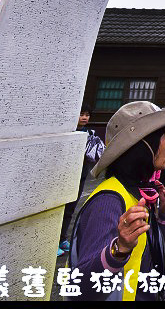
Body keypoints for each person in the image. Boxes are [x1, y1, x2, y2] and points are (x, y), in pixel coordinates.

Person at [68, 100, 165, 301]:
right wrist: (117, 251)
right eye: (163, 135)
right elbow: (81, 289)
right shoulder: (108, 201)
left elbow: (147, 253)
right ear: (143, 145)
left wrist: (164, 214)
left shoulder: (139, 192)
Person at [58, 105, 103, 257]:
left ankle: (62, 238)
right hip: (65, 174)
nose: (84, 117)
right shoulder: (68, 133)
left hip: (81, 175)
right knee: (60, 208)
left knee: (71, 208)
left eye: (87, 114)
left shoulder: (90, 134)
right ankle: (55, 241)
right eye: (81, 114)